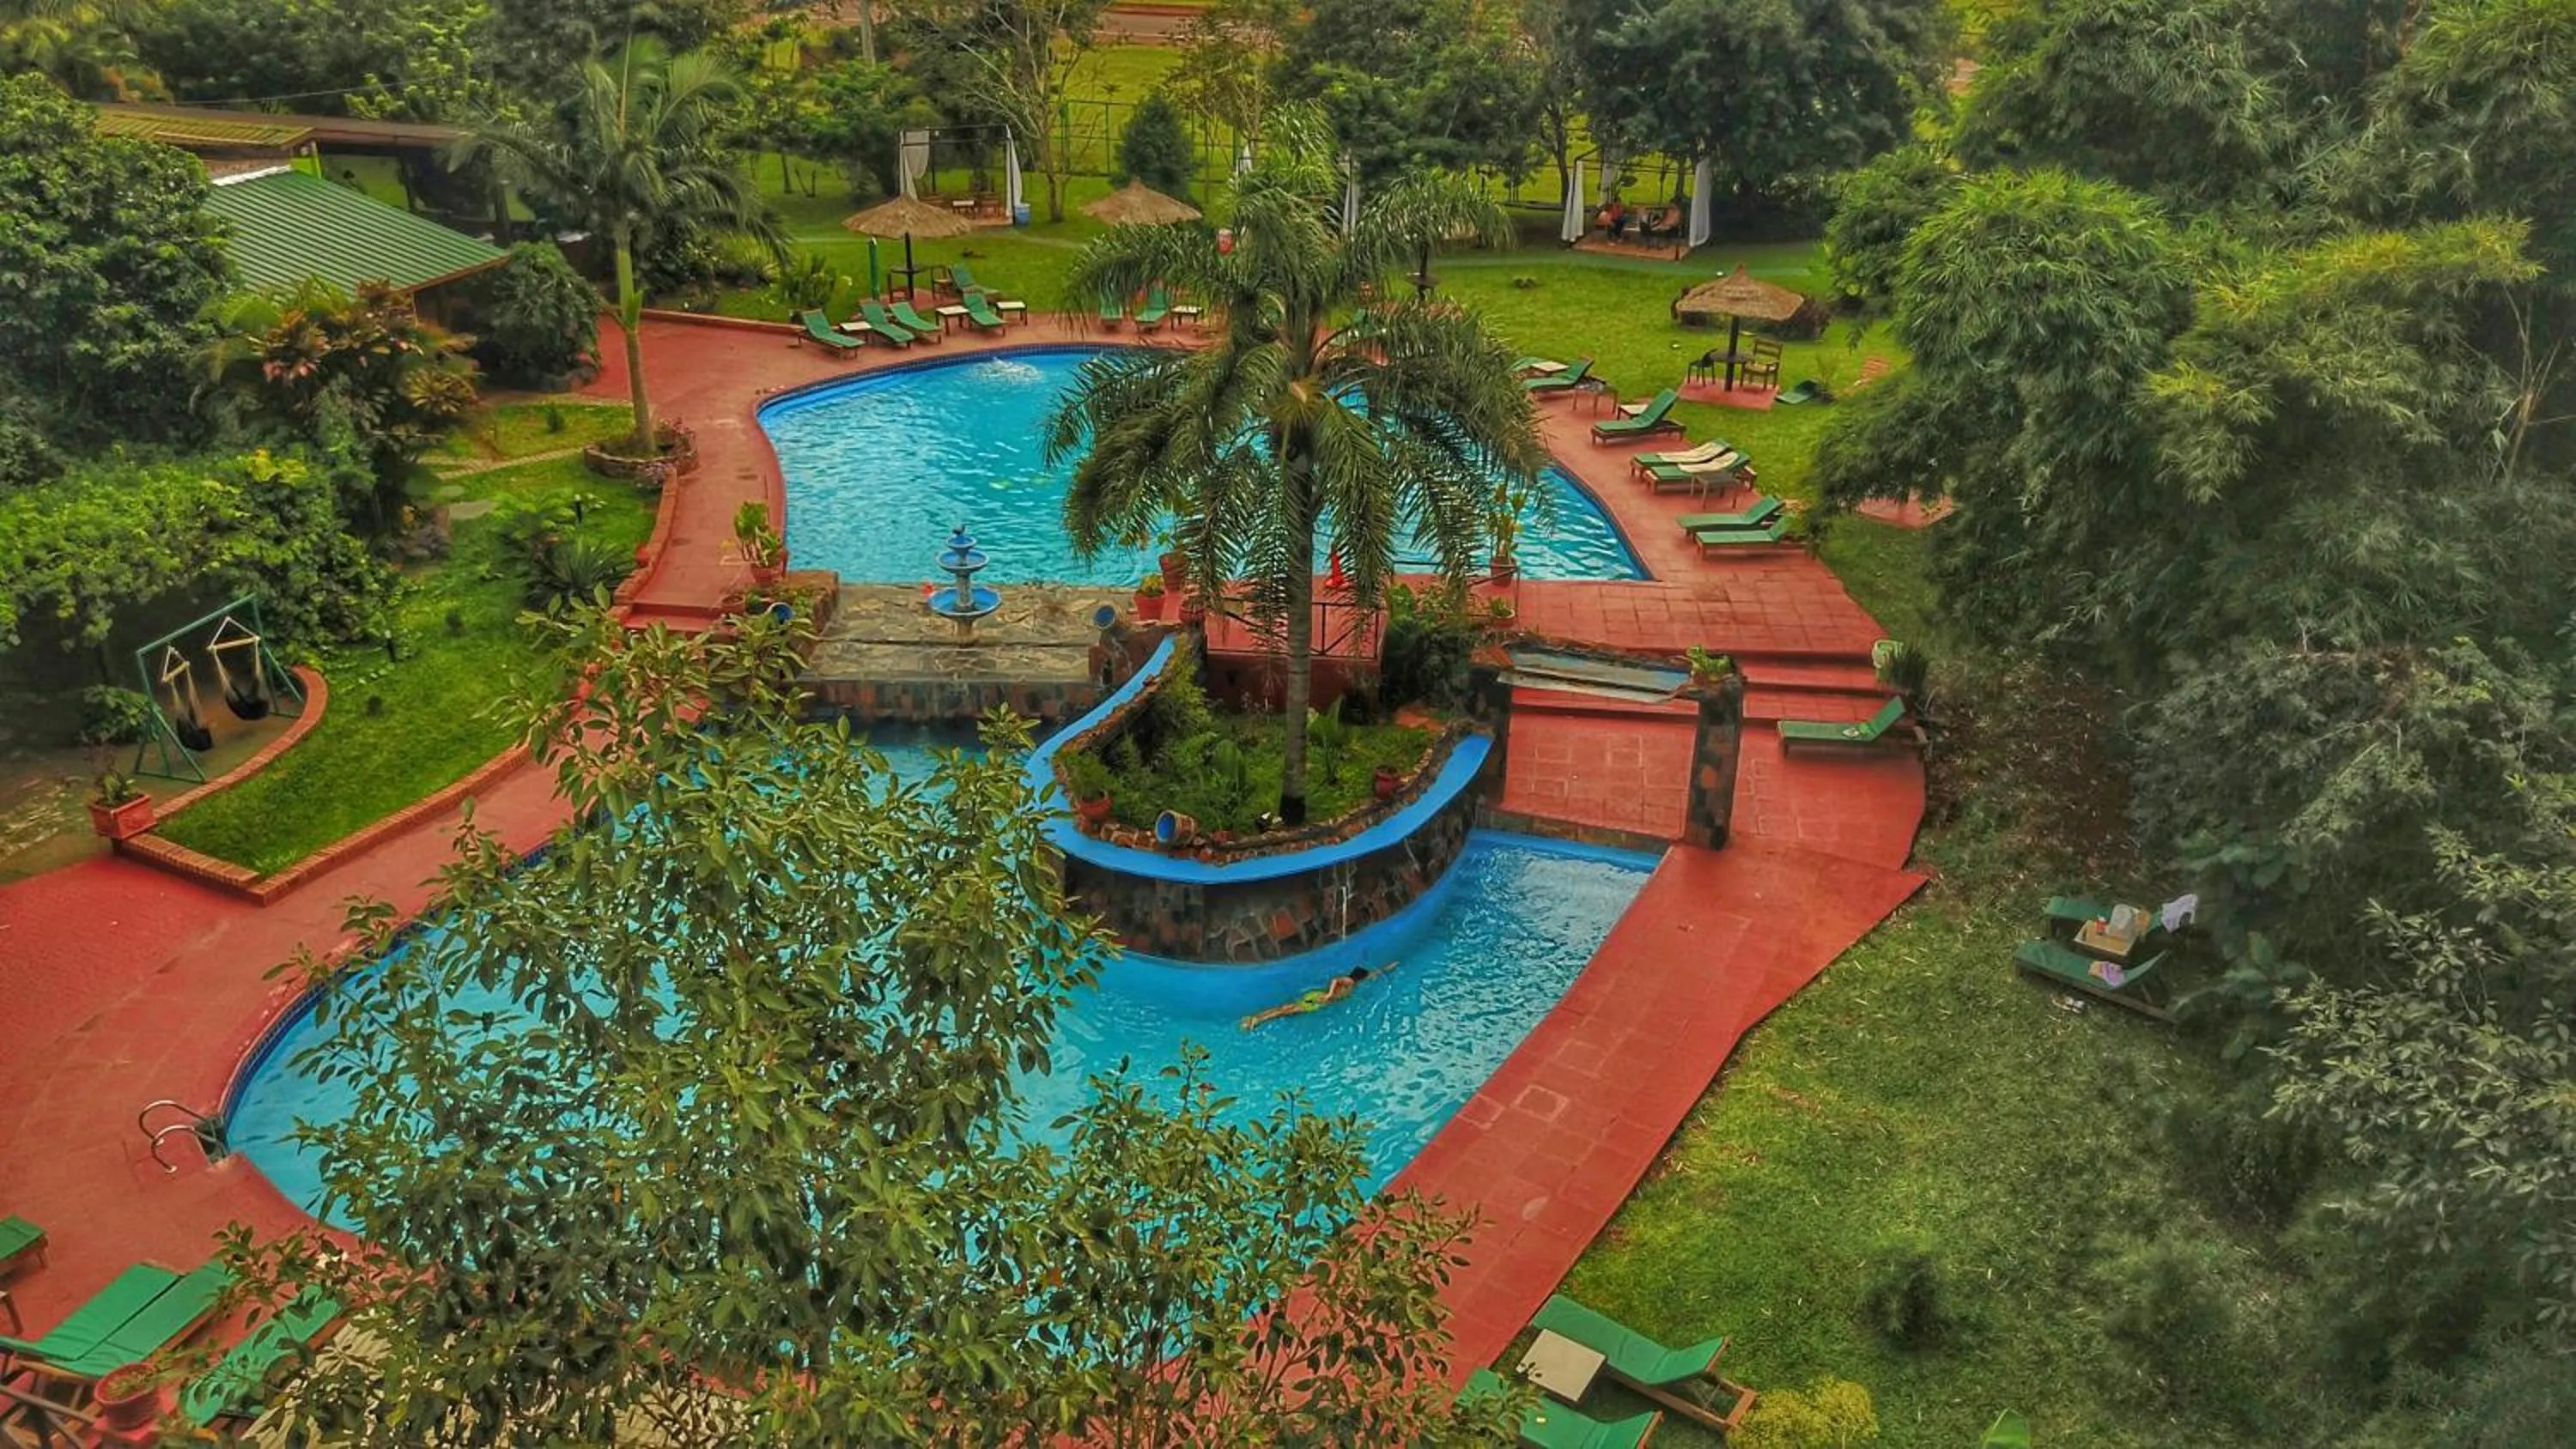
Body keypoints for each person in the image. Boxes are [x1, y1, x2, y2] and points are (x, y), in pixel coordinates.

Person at [1240, 963, 1389, 1030]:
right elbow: (1336, 980)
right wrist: (1330, 995)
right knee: (1286, 1011)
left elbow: (1374, 974)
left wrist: (1389, 968)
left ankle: (1256, 1017)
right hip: (1319, 1001)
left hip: (1319, 998)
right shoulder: (1349, 982)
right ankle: (1257, 1020)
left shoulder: (1355, 983)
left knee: (1286, 1009)